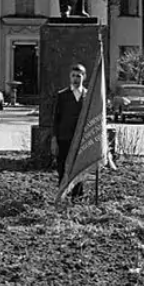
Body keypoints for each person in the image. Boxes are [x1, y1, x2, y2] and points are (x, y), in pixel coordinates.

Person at [51, 63, 88, 200]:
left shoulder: (88, 96)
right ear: (69, 77)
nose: (75, 79)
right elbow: (56, 118)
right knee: (63, 166)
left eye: (78, 76)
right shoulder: (62, 95)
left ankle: (77, 195)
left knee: (79, 167)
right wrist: (54, 138)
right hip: (64, 137)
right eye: (73, 76)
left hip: (81, 138)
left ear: (84, 77)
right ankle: (62, 193)